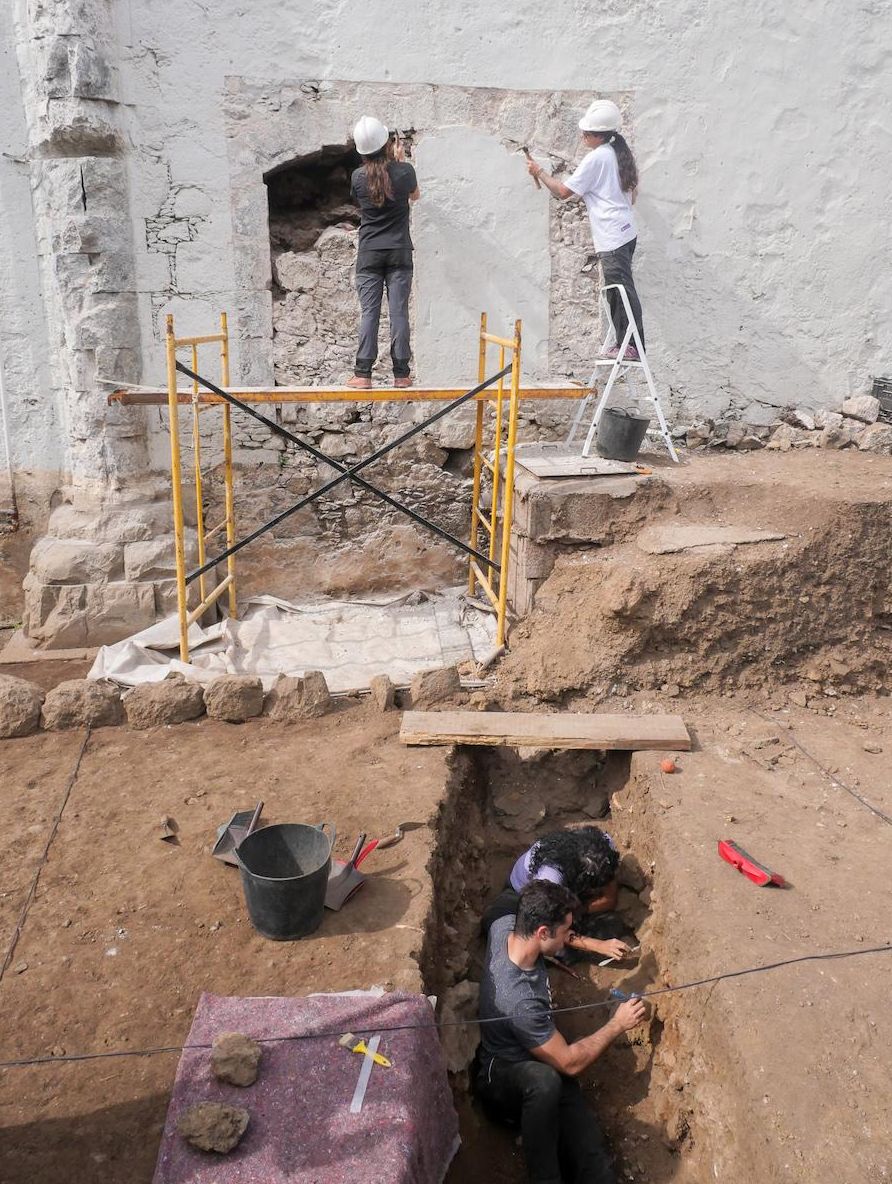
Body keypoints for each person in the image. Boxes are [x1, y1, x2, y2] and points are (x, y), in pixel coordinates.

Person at [477, 880, 647, 1184]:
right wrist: (618, 1024)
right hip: (502, 1077)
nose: (569, 937)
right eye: (565, 932)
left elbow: (505, 903)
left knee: (596, 1168)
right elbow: (570, 1062)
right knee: (546, 1081)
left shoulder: (506, 926)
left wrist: (594, 943)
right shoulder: (519, 1000)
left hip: (540, 1054)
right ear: (542, 932)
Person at [527, 100, 644, 362]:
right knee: (618, 290)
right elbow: (633, 194)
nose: (582, 137)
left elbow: (564, 192)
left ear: (596, 135)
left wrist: (540, 172)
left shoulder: (598, 158)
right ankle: (625, 343)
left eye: (586, 134)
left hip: (613, 234)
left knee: (621, 291)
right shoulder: (619, 154)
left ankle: (633, 346)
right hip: (624, 231)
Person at [482, 826, 632, 963]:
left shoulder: (601, 848)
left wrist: (581, 910)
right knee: (544, 948)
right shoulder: (550, 877)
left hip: (562, 893)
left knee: (611, 924)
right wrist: (599, 946)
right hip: (519, 899)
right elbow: (552, 929)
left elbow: (609, 898)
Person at [348, 116, 420, 390]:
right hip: (400, 252)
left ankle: (363, 375)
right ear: (388, 144)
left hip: (369, 253)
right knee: (398, 311)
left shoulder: (357, 177)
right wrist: (400, 163)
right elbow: (415, 196)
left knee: (370, 312)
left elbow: (364, 200)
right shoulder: (405, 171)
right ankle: (401, 375)